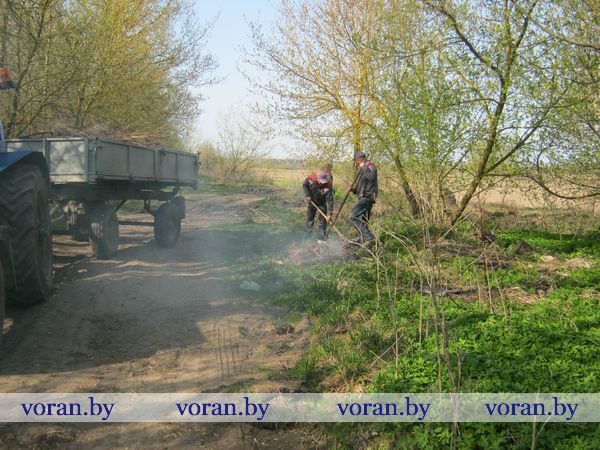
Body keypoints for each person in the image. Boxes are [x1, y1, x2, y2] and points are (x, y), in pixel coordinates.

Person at [348, 151, 378, 245]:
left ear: (359, 159)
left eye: (356, 161)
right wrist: (353, 189)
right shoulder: (364, 168)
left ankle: (369, 238)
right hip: (364, 196)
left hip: (368, 197)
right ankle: (362, 239)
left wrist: (363, 167)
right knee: (363, 220)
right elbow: (362, 185)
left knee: (352, 217)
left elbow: (371, 177)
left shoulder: (370, 166)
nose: (356, 163)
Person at [302, 169, 334, 240]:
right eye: (321, 181)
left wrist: (329, 214)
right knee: (310, 219)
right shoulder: (310, 179)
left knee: (322, 221)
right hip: (312, 201)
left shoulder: (328, 185)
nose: (323, 182)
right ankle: (307, 237)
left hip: (323, 203)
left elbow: (329, 201)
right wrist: (308, 195)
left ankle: (321, 238)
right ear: (317, 179)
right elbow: (304, 185)